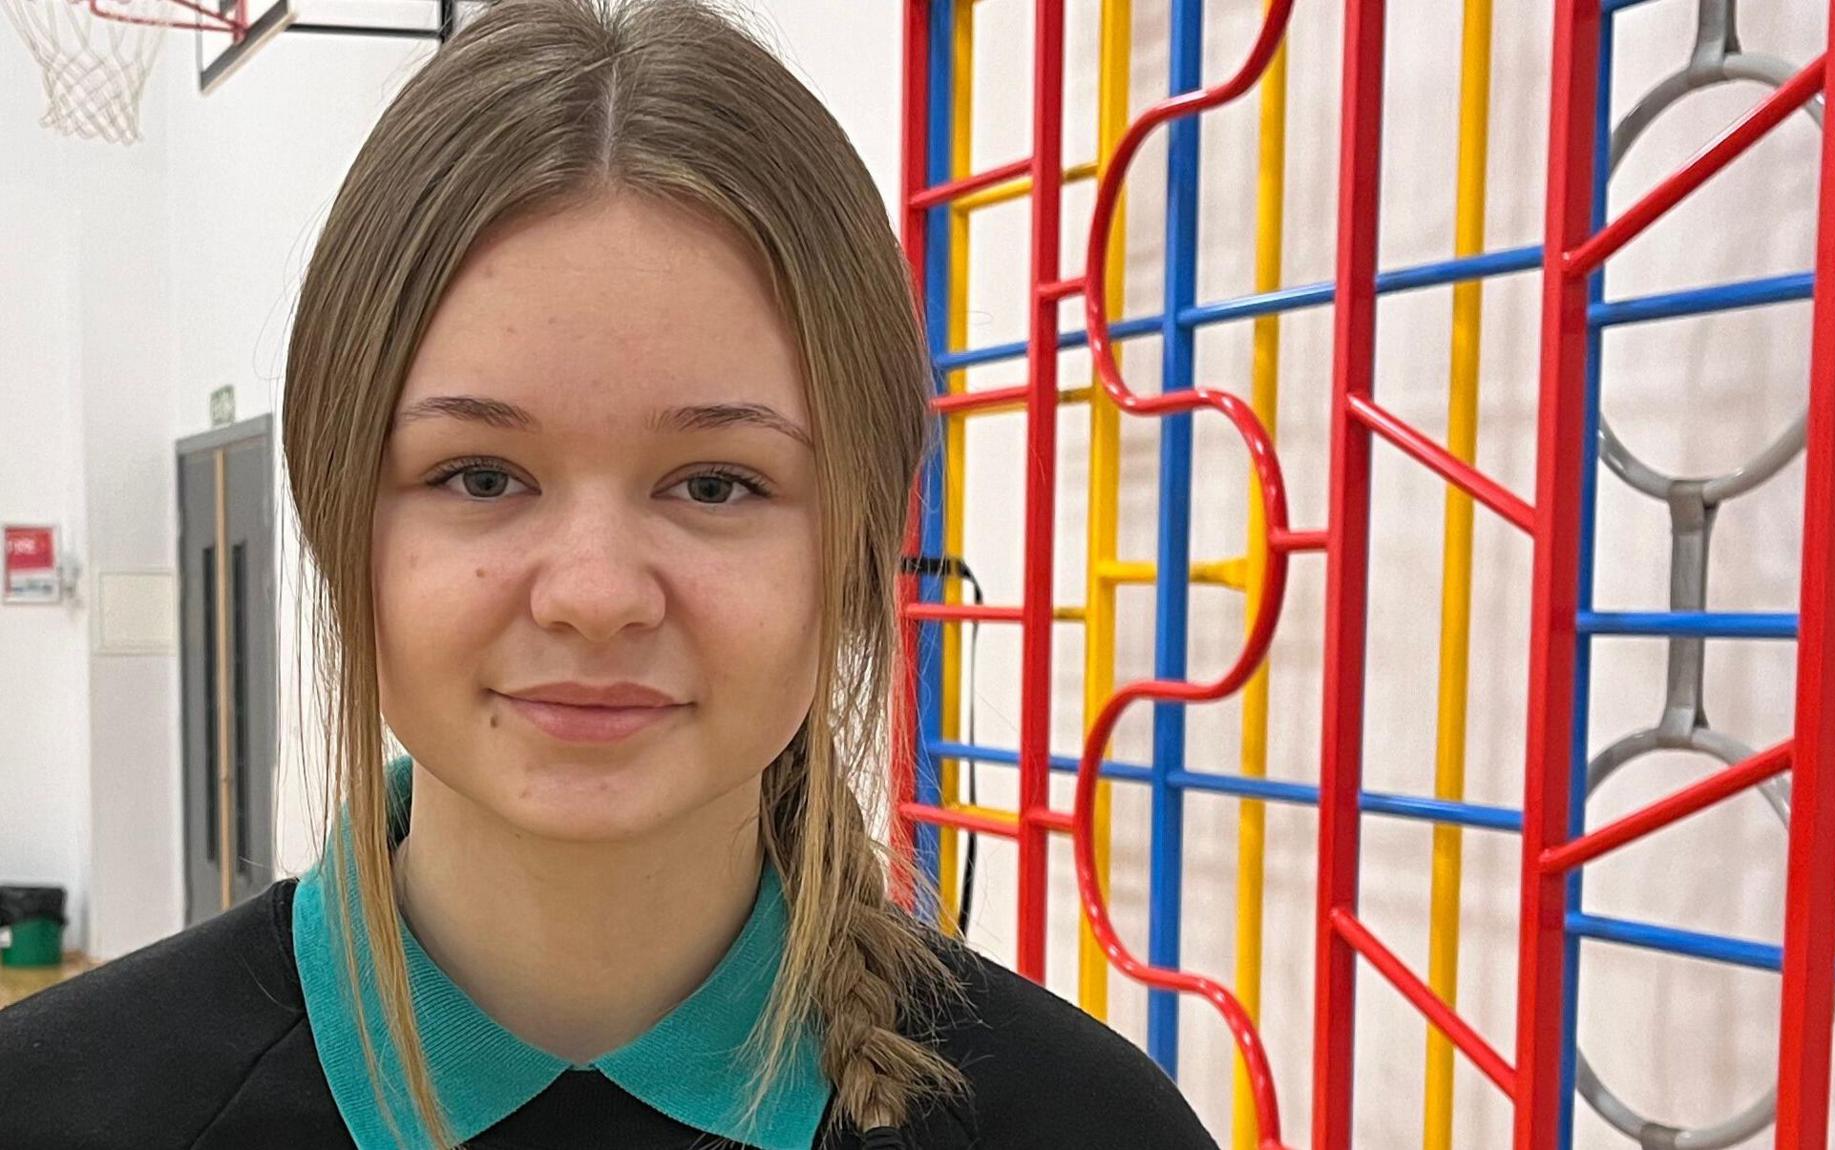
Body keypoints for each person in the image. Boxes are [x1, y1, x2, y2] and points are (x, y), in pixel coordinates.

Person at [0, 0, 1221, 1146]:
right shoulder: (58, 1105)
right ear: (338, 520)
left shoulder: (1084, 1121)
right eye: (479, 474)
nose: (591, 594)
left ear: (851, 550)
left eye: (715, 483)